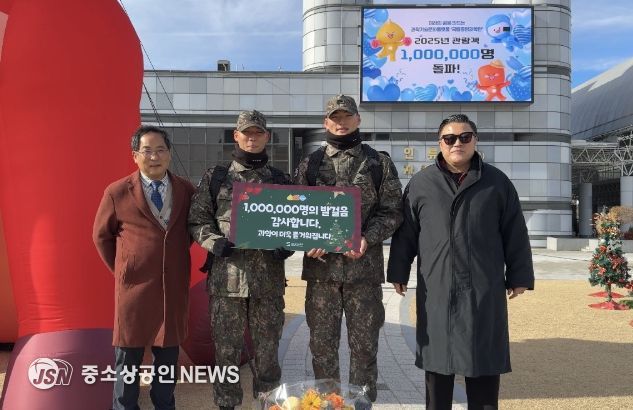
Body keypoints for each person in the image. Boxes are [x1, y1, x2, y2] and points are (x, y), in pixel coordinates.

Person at [387, 114, 534, 410]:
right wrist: (398, 271)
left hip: (483, 288)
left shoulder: (497, 183)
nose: (457, 143)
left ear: (475, 141)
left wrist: (519, 276)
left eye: (465, 137)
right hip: (437, 289)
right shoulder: (421, 183)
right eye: (450, 138)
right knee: (438, 368)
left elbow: (515, 231)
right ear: (440, 143)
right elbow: (406, 234)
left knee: (483, 365)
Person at [293, 95, 403, 402]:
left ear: (358, 120)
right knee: (322, 349)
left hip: (363, 274)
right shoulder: (310, 164)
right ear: (326, 122)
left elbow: (393, 211)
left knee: (365, 348)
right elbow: (295, 212)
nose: (341, 123)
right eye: (335, 117)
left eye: (346, 116)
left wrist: (367, 237)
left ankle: (361, 405)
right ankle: (329, 405)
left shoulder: (378, 163)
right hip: (322, 275)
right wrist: (308, 239)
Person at [188, 110, 292, 410]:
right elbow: (197, 220)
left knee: (268, 353)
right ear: (236, 136)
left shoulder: (281, 181)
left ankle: (270, 405)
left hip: (267, 285)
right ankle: (226, 405)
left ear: (267, 137)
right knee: (226, 354)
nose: (252, 138)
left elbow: (296, 223)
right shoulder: (217, 177)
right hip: (227, 284)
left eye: (258, 132)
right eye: (247, 132)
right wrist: (214, 242)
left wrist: (287, 246)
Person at [93, 125, 195, 410]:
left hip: (172, 290)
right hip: (133, 291)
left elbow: (192, 230)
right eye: (147, 151)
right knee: (128, 362)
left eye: (161, 150)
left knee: (167, 363)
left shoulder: (186, 190)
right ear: (135, 156)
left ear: (169, 154)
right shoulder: (117, 192)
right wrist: (125, 269)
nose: (154, 157)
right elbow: (101, 237)